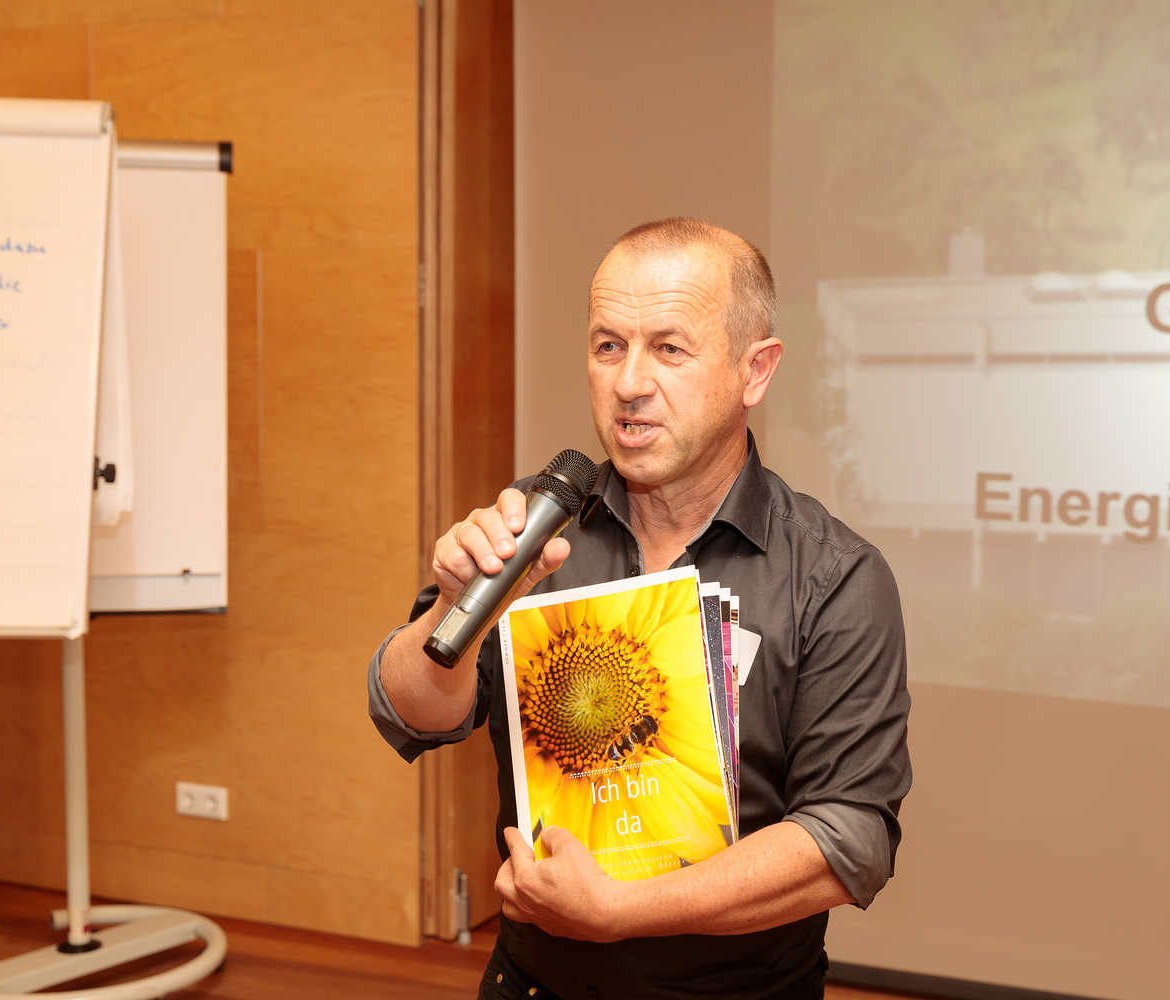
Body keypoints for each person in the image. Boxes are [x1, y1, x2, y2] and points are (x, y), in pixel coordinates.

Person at [368, 218, 911, 1000]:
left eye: (669, 348)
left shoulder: (834, 578)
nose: (629, 382)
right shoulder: (534, 527)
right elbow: (412, 712)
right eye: (607, 345)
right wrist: (452, 609)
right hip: (533, 983)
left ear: (755, 370)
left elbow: (849, 838)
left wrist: (621, 912)